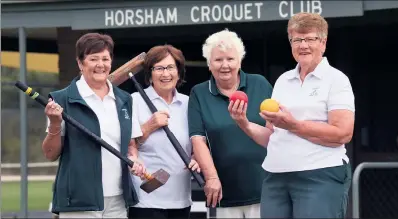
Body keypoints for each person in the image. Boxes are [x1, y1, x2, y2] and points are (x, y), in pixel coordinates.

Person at [228, 12, 355, 218]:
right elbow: (272, 137)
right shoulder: (283, 81)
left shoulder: (336, 80)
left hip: (320, 174)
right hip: (276, 177)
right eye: (297, 39)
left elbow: (342, 134)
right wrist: (243, 122)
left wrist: (294, 125)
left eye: (310, 39)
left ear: (323, 42)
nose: (303, 45)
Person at [42, 32, 145, 218]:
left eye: (105, 58)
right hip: (79, 200)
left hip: (118, 199)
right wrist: (56, 123)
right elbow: (50, 154)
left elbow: (130, 145)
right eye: (93, 59)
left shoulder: (125, 100)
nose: (101, 64)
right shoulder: (61, 100)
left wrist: (135, 160)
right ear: (80, 63)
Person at [188, 29, 273, 218]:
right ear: (209, 64)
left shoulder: (260, 84)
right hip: (223, 193)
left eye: (230, 59)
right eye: (218, 60)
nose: (225, 65)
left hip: (266, 189)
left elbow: (276, 132)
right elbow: (198, 139)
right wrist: (211, 177)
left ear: (240, 61)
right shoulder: (199, 93)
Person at [128, 45, 201, 219]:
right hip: (147, 198)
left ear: (178, 72)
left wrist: (197, 157)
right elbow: (128, 146)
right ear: (149, 73)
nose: (165, 74)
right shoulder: (135, 101)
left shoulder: (189, 103)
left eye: (170, 67)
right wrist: (149, 126)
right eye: (159, 68)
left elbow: (197, 142)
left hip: (181, 197)